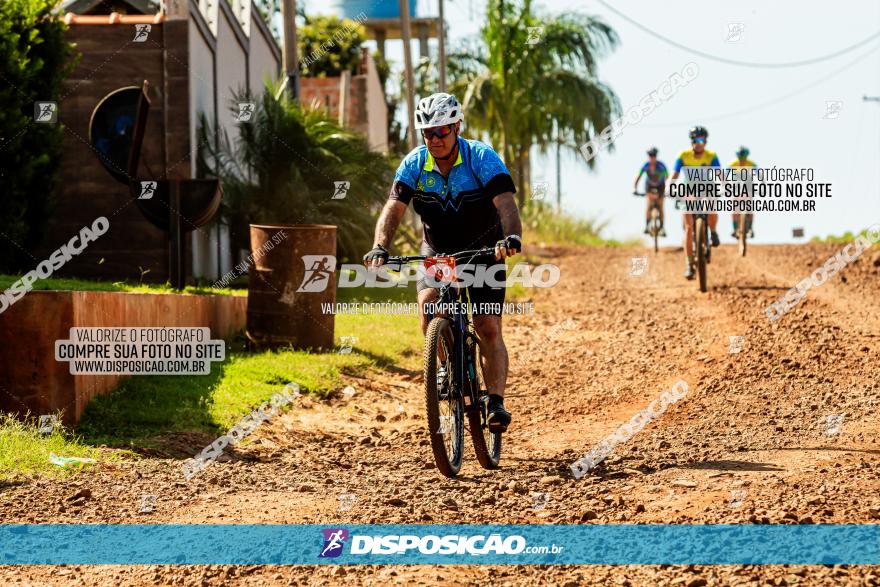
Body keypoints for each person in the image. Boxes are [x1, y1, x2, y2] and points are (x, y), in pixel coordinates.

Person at [363, 92, 522, 432]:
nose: (434, 139)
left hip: (483, 251)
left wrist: (510, 238)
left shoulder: (481, 156)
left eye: (442, 132)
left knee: (488, 327)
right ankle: (447, 366)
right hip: (439, 252)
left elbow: (506, 201)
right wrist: (379, 246)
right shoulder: (415, 163)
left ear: (457, 127)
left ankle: (495, 401)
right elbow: (393, 208)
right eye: (428, 133)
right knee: (429, 307)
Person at [670, 126, 721, 280]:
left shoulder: (711, 156)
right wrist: (669, 187)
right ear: (691, 141)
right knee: (688, 227)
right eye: (696, 140)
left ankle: (712, 231)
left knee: (711, 204)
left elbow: (720, 174)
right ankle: (689, 263)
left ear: (705, 141)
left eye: (702, 140)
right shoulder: (683, 156)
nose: (699, 143)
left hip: (707, 189)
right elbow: (674, 174)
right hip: (689, 191)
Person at [633, 147, 668, 236]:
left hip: (661, 186)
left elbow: (667, 177)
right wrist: (634, 188)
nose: (652, 157)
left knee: (661, 206)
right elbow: (638, 176)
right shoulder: (646, 165)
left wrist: (668, 189)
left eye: (654, 155)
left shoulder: (661, 165)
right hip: (649, 186)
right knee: (648, 205)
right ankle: (647, 226)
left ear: (656, 156)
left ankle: (662, 227)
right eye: (650, 155)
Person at [730, 146, 757, 238]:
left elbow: (759, 174)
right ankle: (735, 229)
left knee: (749, 207)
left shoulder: (751, 164)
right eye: (740, 157)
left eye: (743, 157)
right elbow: (725, 176)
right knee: (735, 208)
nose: (742, 159)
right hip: (736, 186)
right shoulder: (733, 164)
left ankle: (749, 228)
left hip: (748, 185)